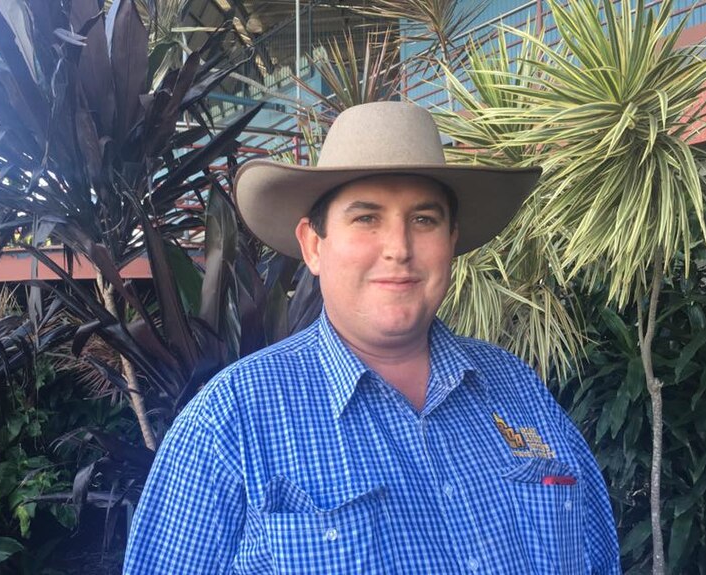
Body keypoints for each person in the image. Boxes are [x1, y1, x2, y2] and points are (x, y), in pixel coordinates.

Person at [123, 101, 620, 574]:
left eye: (423, 220)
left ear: (451, 243)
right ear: (313, 246)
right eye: (366, 218)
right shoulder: (229, 423)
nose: (399, 248)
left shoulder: (518, 391)